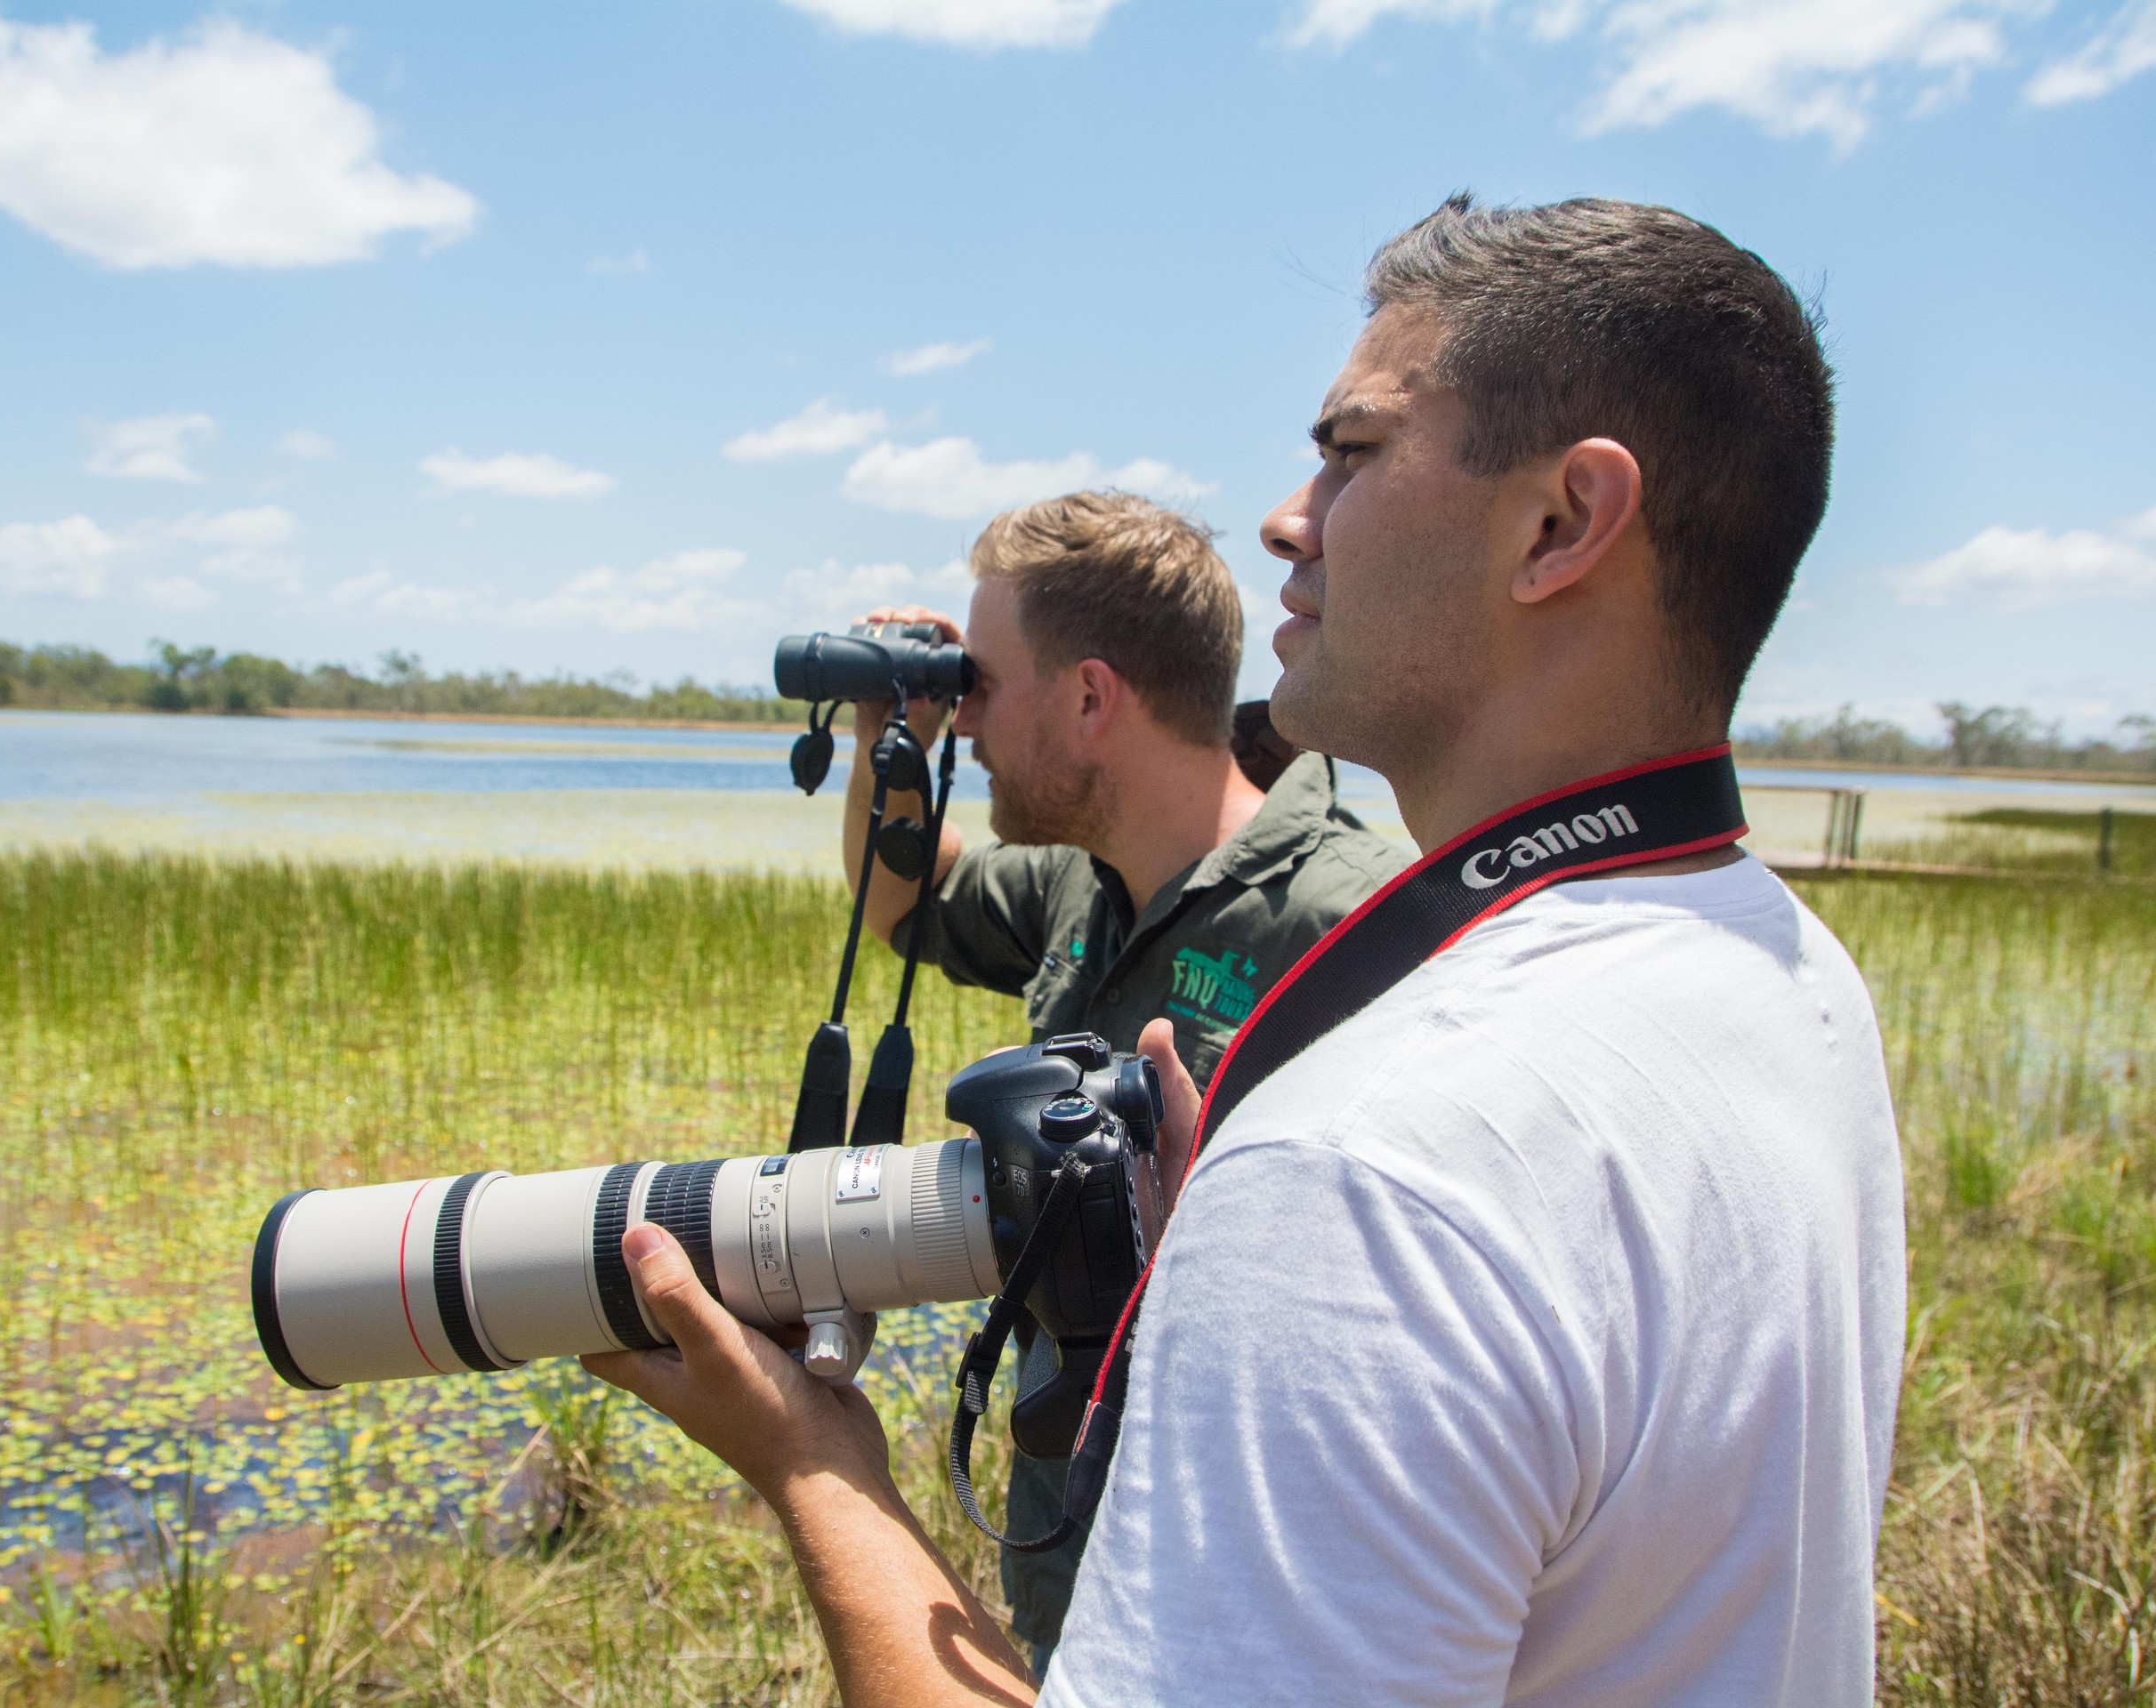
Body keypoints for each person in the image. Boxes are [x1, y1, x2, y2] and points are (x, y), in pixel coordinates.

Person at [586, 194, 1906, 1708]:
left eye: (1350, 453)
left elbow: (1388, 1216)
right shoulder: (1779, 969)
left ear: (1561, 524)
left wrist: (818, 1471)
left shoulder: (1370, 1146)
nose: (1288, 518)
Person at [838, 489, 1405, 1672]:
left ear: (1092, 698)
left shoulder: (1354, 916)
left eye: (980, 686)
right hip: (1071, 1545)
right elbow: (902, 908)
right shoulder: (1077, 886)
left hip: (1245, 1578)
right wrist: (887, 742)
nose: (972, 722)